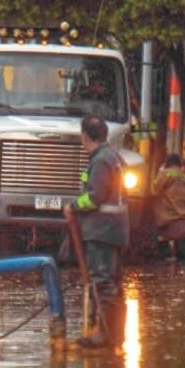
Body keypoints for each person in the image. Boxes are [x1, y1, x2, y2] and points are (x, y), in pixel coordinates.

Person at [68, 115, 128, 349]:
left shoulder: (102, 160)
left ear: (85, 136)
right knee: (111, 282)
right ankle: (109, 333)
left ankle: (105, 334)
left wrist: (72, 206)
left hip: (102, 230)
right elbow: (89, 185)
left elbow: (94, 196)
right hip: (114, 229)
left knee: (102, 282)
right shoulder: (110, 157)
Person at [150, 154, 185, 259]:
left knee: (162, 256)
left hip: (169, 219)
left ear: (167, 163)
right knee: (183, 259)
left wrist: (160, 172)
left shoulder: (166, 174)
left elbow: (154, 190)